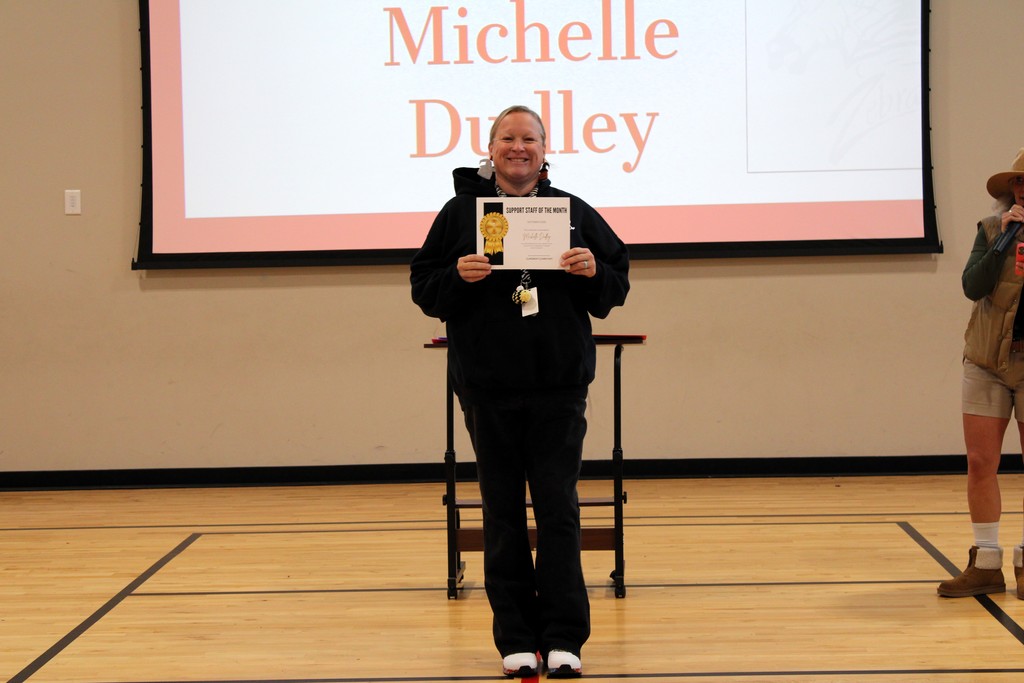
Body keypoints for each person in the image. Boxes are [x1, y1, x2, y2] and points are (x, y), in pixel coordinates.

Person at [410, 105, 630, 678]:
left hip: (559, 386)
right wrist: (456, 277)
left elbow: (617, 283)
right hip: (488, 387)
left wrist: (592, 273)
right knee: (502, 513)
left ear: (544, 148)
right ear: (490, 148)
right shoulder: (460, 214)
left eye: (529, 138)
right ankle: (515, 636)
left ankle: (564, 638)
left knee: (559, 511)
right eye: (507, 138)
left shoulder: (573, 212)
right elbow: (424, 288)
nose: (518, 148)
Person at [939, 148, 1024, 599]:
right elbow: (973, 286)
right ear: (1012, 190)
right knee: (980, 462)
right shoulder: (993, 229)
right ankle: (986, 562)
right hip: (987, 362)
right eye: (1021, 183)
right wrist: (1002, 241)